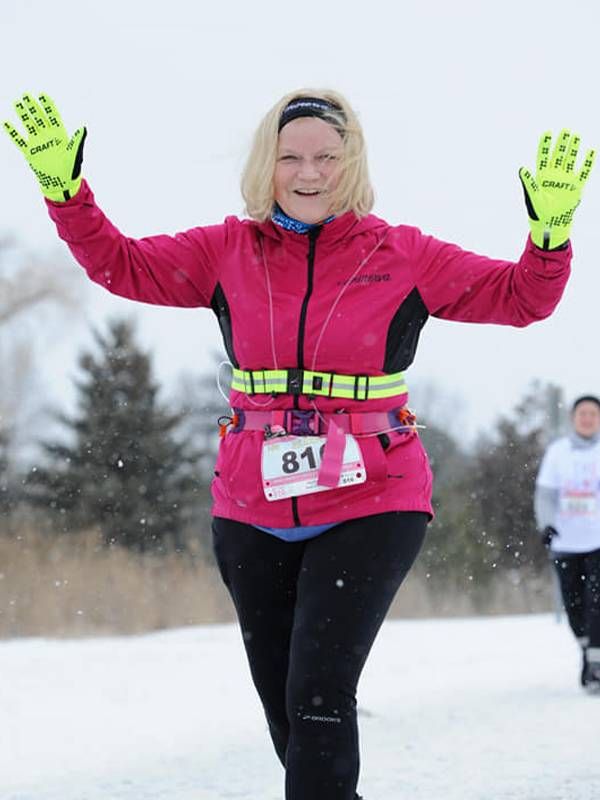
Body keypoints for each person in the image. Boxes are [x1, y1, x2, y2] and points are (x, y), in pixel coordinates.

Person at [4, 89, 595, 799]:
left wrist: (550, 236)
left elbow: (522, 298)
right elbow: (120, 264)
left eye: (325, 156)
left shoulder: (402, 253)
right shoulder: (229, 248)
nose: (308, 171)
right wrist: (65, 191)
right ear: (268, 163)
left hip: (372, 500)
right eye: (290, 156)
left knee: (319, 691)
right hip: (251, 508)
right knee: (286, 703)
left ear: (351, 164)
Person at [535, 395, 600, 693]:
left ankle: (595, 663)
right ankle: (587, 651)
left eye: (593, 414)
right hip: (565, 542)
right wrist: (546, 524)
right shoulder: (558, 452)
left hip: (597, 540)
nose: (587, 418)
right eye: (582, 413)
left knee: (596, 603)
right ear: (574, 418)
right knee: (574, 605)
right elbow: (545, 495)